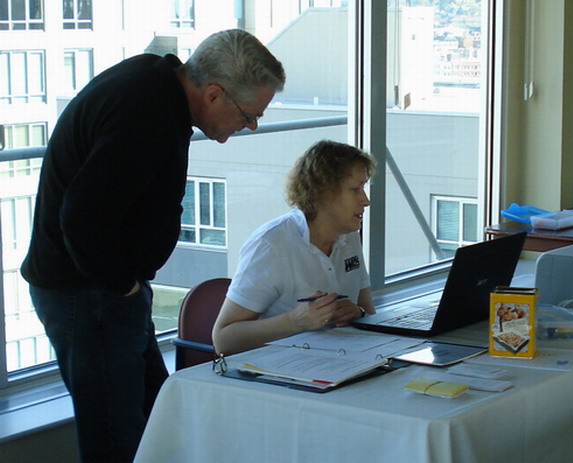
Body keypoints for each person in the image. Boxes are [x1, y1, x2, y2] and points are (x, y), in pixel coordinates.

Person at [20, 29, 285, 463]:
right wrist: (122, 285)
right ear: (214, 93)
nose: (250, 125)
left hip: (101, 291)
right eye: (248, 114)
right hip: (88, 294)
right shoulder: (147, 110)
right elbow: (81, 215)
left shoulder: (154, 83)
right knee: (117, 440)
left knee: (153, 427)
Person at [212, 140, 376, 355]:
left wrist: (358, 312)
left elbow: (369, 313)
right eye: (355, 189)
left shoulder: (349, 236)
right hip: (278, 372)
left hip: (339, 361)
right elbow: (223, 340)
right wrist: (294, 322)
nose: (366, 201)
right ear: (323, 193)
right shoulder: (271, 245)